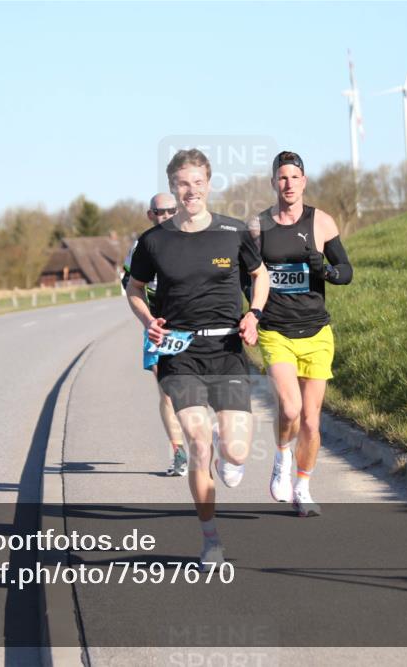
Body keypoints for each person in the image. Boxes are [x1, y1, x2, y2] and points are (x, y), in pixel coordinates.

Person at [126, 148, 269, 569]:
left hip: (226, 350)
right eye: (183, 184)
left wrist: (254, 315)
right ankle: (211, 541)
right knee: (198, 442)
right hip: (179, 352)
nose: (191, 190)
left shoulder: (233, 231)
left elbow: (259, 276)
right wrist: (149, 320)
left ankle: (232, 456)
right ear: (173, 186)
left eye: (198, 182)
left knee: (237, 453)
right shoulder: (154, 241)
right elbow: (135, 289)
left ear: (209, 183)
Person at [251, 151, 353, 517]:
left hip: (316, 331)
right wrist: (248, 314)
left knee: (311, 419)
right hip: (276, 330)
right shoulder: (259, 226)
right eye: (282, 178)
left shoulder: (321, 222)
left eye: (295, 177)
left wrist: (324, 271)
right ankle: (281, 457)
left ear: (304, 181)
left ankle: (303, 486)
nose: (288, 184)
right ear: (274, 183)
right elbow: (245, 277)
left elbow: (347, 272)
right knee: (290, 407)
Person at [122, 193, 188, 476]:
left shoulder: (194, 239)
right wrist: (148, 318)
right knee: (168, 392)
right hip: (158, 327)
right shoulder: (143, 245)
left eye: (171, 210)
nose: (166, 216)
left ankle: (204, 434)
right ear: (151, 215)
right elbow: (129, 283)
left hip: (191, 324)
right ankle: (179, 452)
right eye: (160, 212)